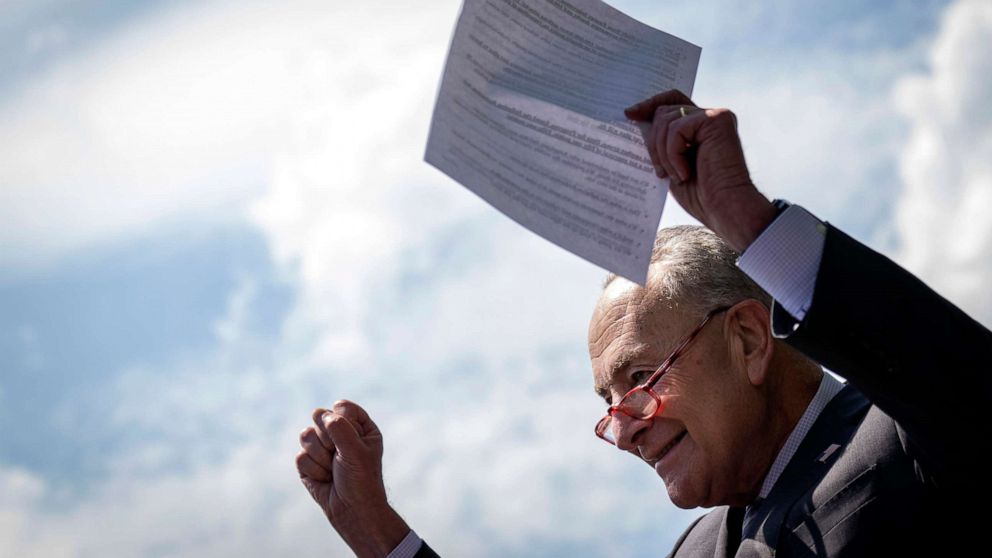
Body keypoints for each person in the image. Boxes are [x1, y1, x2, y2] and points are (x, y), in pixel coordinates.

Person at [294, 90, 992, 557]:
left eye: (638, 379)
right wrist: (381, 536)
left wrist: (750, 223)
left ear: (748, 339)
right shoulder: (694, 550)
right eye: (607, 407)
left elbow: (959, 378)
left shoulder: (908, 438)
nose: (623, 429)